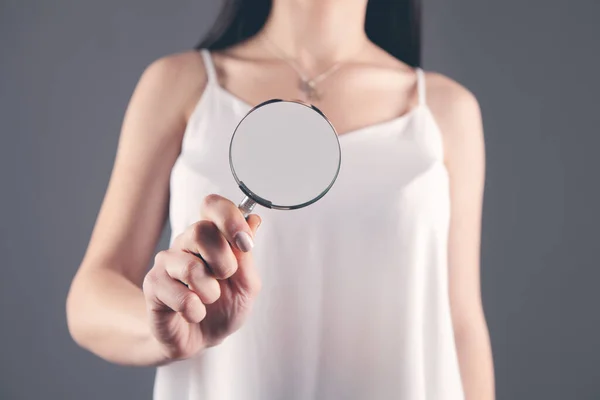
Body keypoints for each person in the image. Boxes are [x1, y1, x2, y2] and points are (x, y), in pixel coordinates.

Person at [66, 0, 495, 398]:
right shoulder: (180, 84)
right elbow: (89, 300)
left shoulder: (444, 110)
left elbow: (461, 326)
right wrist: (166, 322)